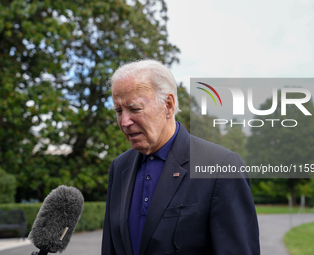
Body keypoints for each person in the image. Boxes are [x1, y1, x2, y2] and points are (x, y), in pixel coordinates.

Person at [101, 59, 260, 255]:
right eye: (118, 111)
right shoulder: (119, 167)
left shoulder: (221, 166)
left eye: (134, 109)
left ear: (168, 105)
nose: (124, 121)